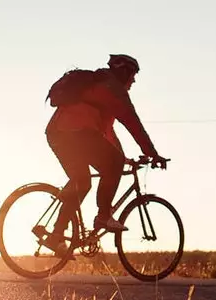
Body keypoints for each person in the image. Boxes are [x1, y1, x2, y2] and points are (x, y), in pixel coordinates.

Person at [42, 53, 165, 255]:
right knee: (104, 167)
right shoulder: (112, 89)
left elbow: (107, 133)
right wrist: (152, 153)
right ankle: (104, 215)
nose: (133, 80)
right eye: (132, 75)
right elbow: (132, 121)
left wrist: (121, 158)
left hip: (60, 134)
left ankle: (56, 236)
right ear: (124, 72)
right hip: (75, 134)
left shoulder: (99, 88)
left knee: (81, 182)